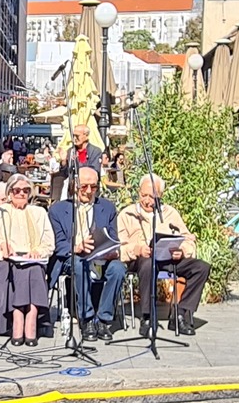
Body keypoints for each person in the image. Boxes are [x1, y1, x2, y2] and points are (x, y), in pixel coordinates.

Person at [119, 174, 210, 336]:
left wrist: (182, 251)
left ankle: (180, 314)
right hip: (140, 260)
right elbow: (118, 247)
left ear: (160, 196)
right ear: (138, 192)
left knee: (201, 268)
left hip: (167, 258)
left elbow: (188, 239)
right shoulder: (127, 214)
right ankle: (147, 317)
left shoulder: (170, 213)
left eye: (152, 197)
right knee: (147, 264)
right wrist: (137, 249)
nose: (147, 201)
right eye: (144, 195)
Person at [48, 165, 124, 339]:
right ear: (74, 185)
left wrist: (112, 251)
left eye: (93, 187)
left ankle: (104, 319)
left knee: (118, 269)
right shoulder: (58, 210)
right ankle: (87, 318)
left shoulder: (107, 207)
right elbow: (57, 244)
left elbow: (114, 237)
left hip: (100, 257)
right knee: (79, 264)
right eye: (84, 186)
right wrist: (76, 247)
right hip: (72, 258)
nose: (89, 191)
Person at [0, 173, 53, 346]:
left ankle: (31, 319)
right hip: (7, 258)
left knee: (34, 269)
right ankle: (18, 317)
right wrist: (1, 245)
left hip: (32, 257)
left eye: (26, 190)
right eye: (16, 190)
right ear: (9, 193)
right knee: (17, 270)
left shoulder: (39, 212)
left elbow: (49, 242)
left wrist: (38, 251)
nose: (21, 193)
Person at [49, 122, 106, 201]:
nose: (74, 138)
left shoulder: (95, 151)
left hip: (89, 192)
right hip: (73, 194)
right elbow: (65, 174)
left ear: (86, 136)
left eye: (77, 136)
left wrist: (77, 164)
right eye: (73, 136)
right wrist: (63, 161)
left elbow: (94, 171)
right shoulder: (70, 151)